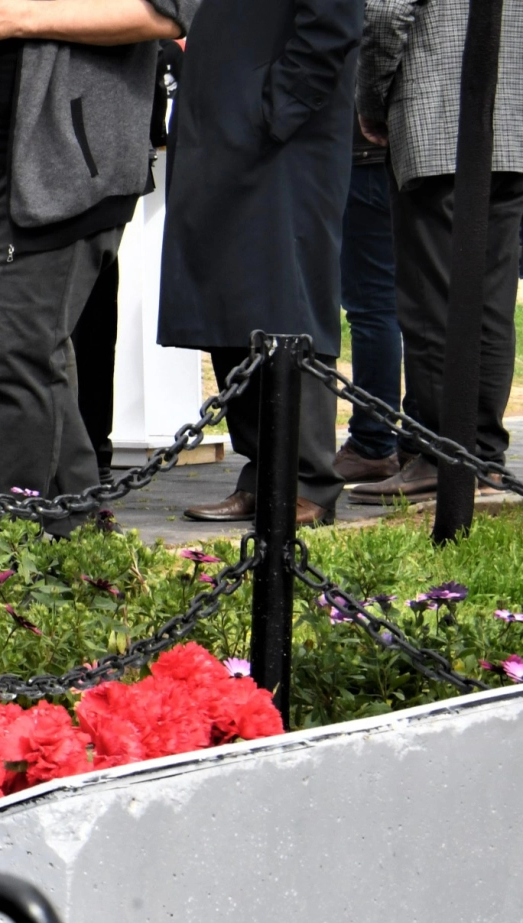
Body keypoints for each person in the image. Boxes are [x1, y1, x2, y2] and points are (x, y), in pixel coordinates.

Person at [0, 0, 191, 529]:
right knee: (9, 356)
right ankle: (76, 537)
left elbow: (165, 14)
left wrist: (22, 17)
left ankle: (16, 550)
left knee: (16, 353)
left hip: (71, 164)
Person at [161, 0, 359, 527]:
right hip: (224, 128)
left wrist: (274, 107)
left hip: (283, 141)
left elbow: (333, 22)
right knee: (230, 304)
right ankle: (264, 477)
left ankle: (308, 481)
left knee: (286, 300)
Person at [349, 0, 523, 505]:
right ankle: (483, 456)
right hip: (508, 124)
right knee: (491, 298)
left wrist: (371, 102)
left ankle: (443, 455)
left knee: (430, 300)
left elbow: (384, 15)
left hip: (438, 121)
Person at [332, 116, 405, 485]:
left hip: (369, 155)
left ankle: (373, 443)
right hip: (415, 156)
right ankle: (417, 441)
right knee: (413, 305)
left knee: (372, 304)